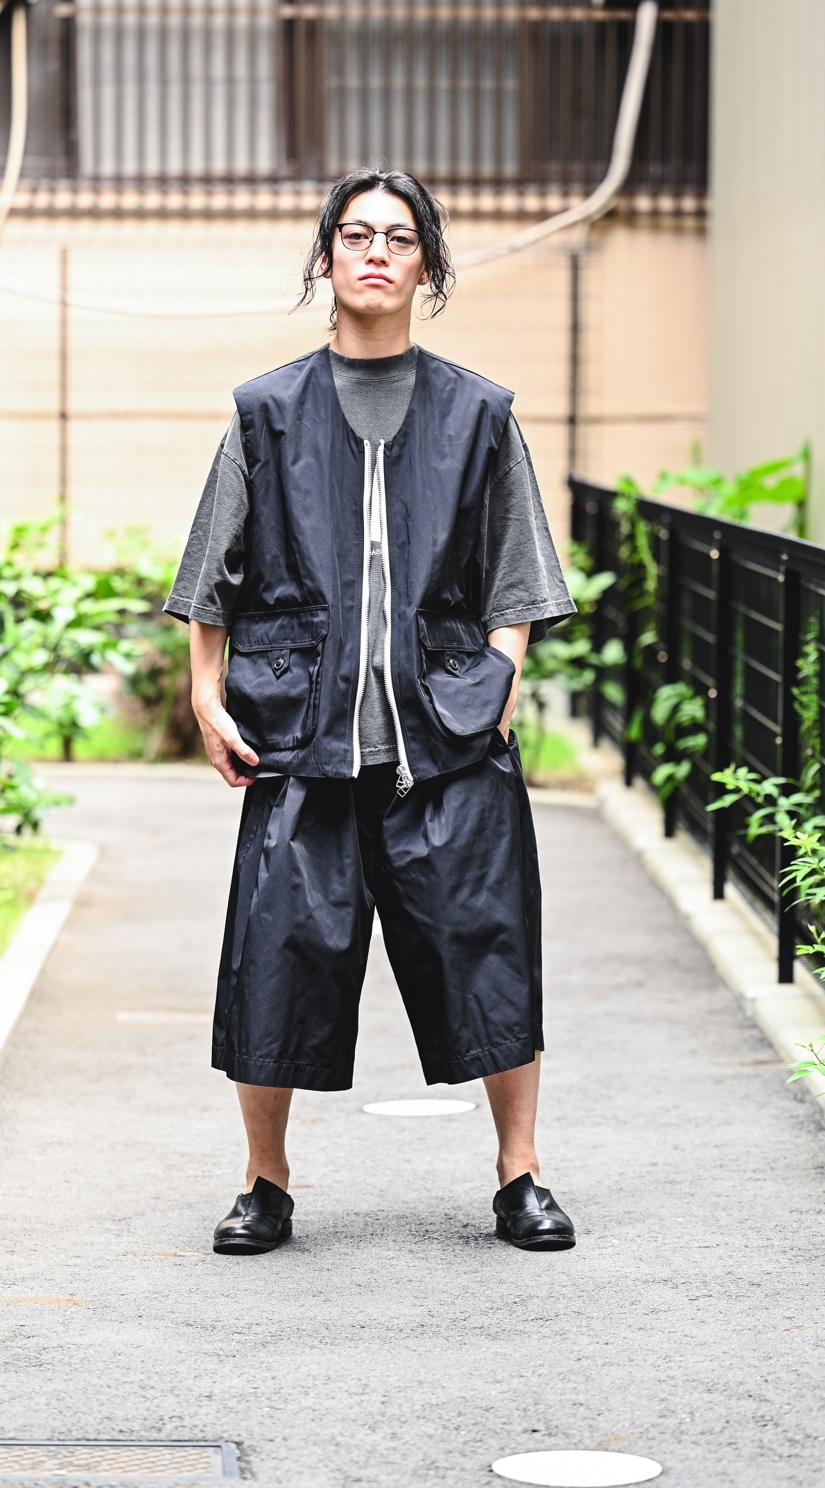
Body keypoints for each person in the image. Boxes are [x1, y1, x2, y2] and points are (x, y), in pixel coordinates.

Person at [165, 168, 577, 1256]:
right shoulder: (266, 411)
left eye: (399, 238)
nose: (376, 253)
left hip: (448, 741)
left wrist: (497, 683)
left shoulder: (479, 414)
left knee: (488, 950)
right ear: (327, 258)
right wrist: (206, 693)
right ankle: (264, 1183)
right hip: (301, 741)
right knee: (274, 959)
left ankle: (522, 1174)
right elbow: (212, 573)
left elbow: (519, 575)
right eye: (356, 235)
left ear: (427, 266)